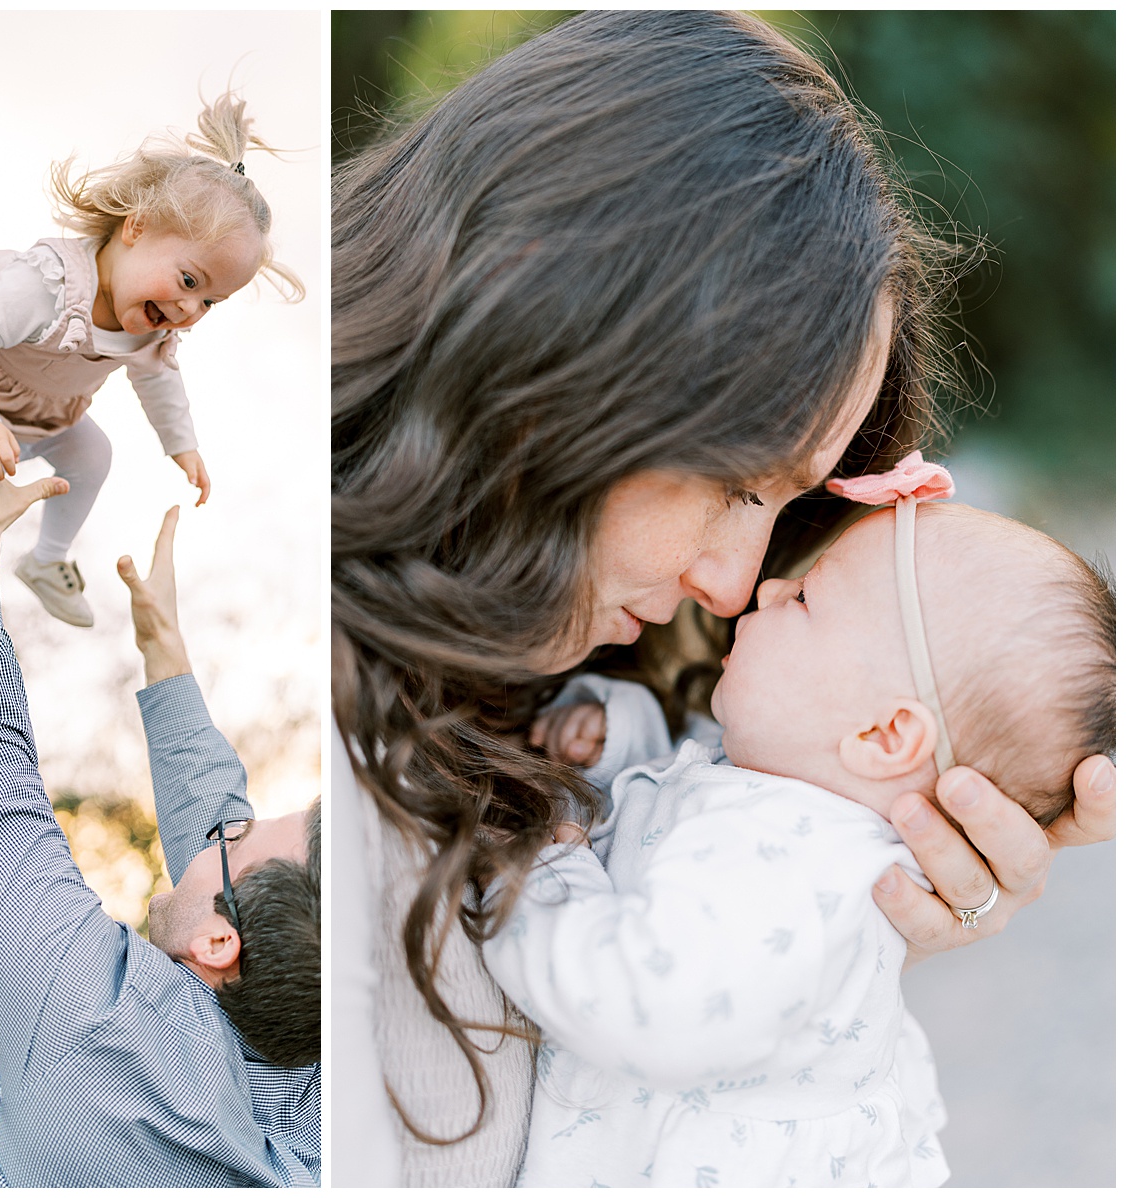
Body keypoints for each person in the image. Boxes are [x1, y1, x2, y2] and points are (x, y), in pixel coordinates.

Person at [329, 12, 1116, 1187]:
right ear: (558, 354)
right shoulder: (322, 740)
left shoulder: (554, 679)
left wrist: (862, 893)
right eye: (735, 483)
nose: (737, 585)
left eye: (783, 511)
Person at [482, 459, 1114, 1187]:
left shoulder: (788, 868)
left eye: (808, 597)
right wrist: (617, 733)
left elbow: (644, 1004)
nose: (769, 587)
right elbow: (682, 785)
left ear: (882, 737)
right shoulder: (798, 807)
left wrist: (542, 882)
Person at [0, 388, 320, 1186]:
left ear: (221, 945)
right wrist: (167, 661)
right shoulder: (329, 1096)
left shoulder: (96, 1029)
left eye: (234, 837)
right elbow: (241, 889)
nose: (220, 826)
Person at [0, 92, 302, 632]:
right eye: (190, 281)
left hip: (52, 420)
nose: (190, 308)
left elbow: (161, 381)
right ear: (135, 228)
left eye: (211, 302)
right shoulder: (49, 284)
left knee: (94, 455)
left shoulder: (151, 332)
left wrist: (181, 445)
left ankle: (47, 559)